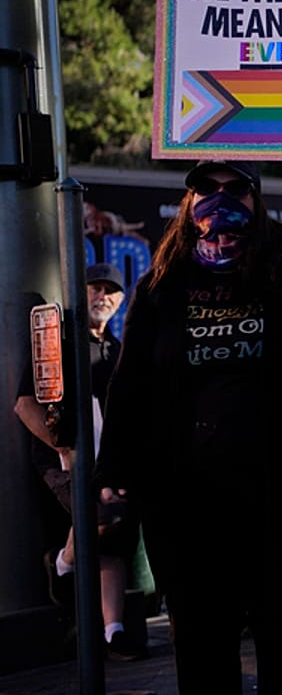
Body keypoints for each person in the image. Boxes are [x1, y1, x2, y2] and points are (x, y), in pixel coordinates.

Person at [96, 161, 282, 695]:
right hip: (187, 504)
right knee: (202, 651)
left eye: (234, 188)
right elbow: (129, 382)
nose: (219, 200)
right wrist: (111, 470)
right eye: (205, 189)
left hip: (280, 499)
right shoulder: (162, 285)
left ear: (257, 199)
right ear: (187, 204)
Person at [15, 263, 144, 659]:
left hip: (108, 461)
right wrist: (62, 447)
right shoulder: (59, 345)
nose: (102, 295)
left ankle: (113, 631)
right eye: (94, 288)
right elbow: (24, 405)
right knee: (99, 516)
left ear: (121, 301)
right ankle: (63, 564)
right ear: (80, 292)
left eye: (110, 290)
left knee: (115, 533)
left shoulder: (119, 352)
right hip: (64, 460)